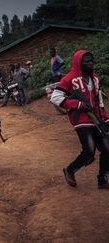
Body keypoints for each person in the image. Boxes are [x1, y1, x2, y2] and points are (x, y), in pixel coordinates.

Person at [50, 50, 109, 189]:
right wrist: (78, 105)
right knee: (89, 151)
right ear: (78, 62)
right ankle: (70, 170)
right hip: (81, 120)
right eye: (86, 61)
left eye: (91, 61)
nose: (89, 63)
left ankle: (102, 179)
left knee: (107, 149)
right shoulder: (69, 78)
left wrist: (105, 118)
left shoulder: (95, 78)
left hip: (96, 118)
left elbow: (98, 100)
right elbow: (55, 97)